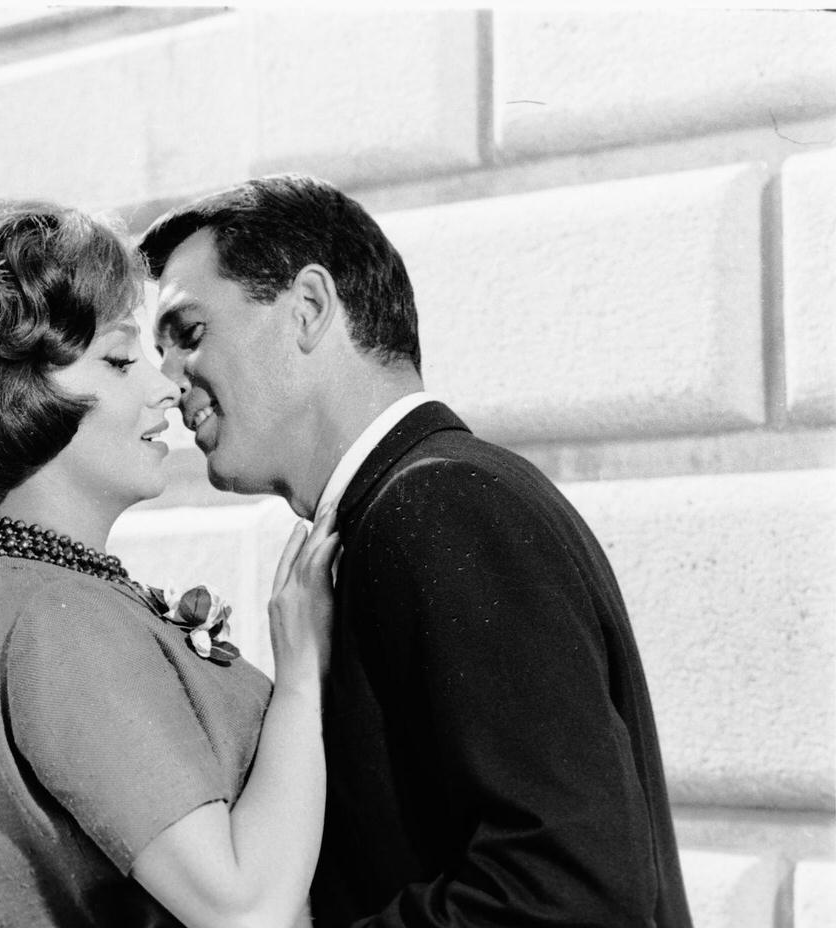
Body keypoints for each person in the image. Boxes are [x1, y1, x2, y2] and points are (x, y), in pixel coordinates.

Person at [139, 174, 694, 928]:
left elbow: (567, 891)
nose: (168, 382)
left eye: (190, 335)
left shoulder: (439, 504)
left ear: (308, 307)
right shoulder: (412, 504)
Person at [0, 204, 339, 928]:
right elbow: (244, 908)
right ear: (13, 393)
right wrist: (302, 681)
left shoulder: (28, 594)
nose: (165, 386)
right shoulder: (57, 621)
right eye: (118, 360)